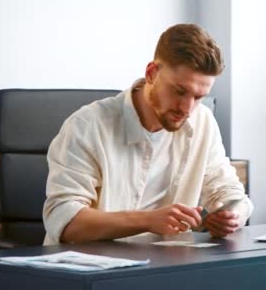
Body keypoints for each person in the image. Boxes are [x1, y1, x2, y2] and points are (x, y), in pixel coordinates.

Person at [42, 23, 253, 245]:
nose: (187, 108)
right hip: (88, 269)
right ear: (152, 73)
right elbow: (64, 221)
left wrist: (232, 216)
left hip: (164, 267)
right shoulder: (87, 125)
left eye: (199, 97)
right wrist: (148, 220)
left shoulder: (203, 122)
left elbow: (231, 194)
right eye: (180, 91)